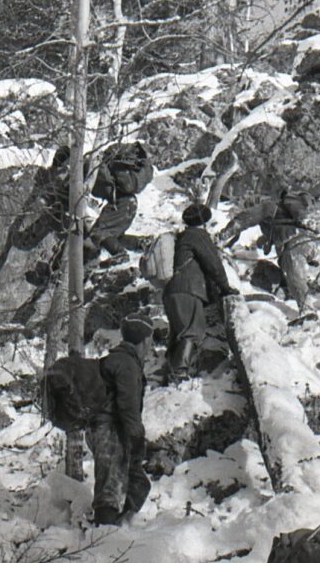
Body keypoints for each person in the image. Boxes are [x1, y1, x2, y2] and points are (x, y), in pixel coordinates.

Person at [86, 314, 153, 526]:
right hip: (109, 428)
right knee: (109, 488)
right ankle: (104, 537)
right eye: (150, 340)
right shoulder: (126, 364)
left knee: (138, 482)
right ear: (144, 340)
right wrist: (137, 439)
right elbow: (128, 407)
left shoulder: (118, 359)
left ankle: (118, 526)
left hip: (107, 427)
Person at [162, 202, 238, 381]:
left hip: (172, 291)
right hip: (188, 290)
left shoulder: (182, 237)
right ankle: (179, 373)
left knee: (178, 333)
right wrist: (226, 288)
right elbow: (214, 265)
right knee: (192, 331)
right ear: (204, 222)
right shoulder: (198, 236)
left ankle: (171, 371)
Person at [222, 189, 320, 311]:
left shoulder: (267, 206)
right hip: (314, 243)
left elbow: (245, 219)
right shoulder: (279, 214)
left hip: (297, 243)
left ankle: (307, 309)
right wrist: (260, 242)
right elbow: (274, 234)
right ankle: (310, 290)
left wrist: (222, 235)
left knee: (292, 267)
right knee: (291, 268)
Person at [86, 142, 152, 261]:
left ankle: (119, 254)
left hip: (122, 203)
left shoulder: (94, 167)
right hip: (129, 203)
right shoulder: (121, 165)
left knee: (99, 232)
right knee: (114, 234)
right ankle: (139, 243)